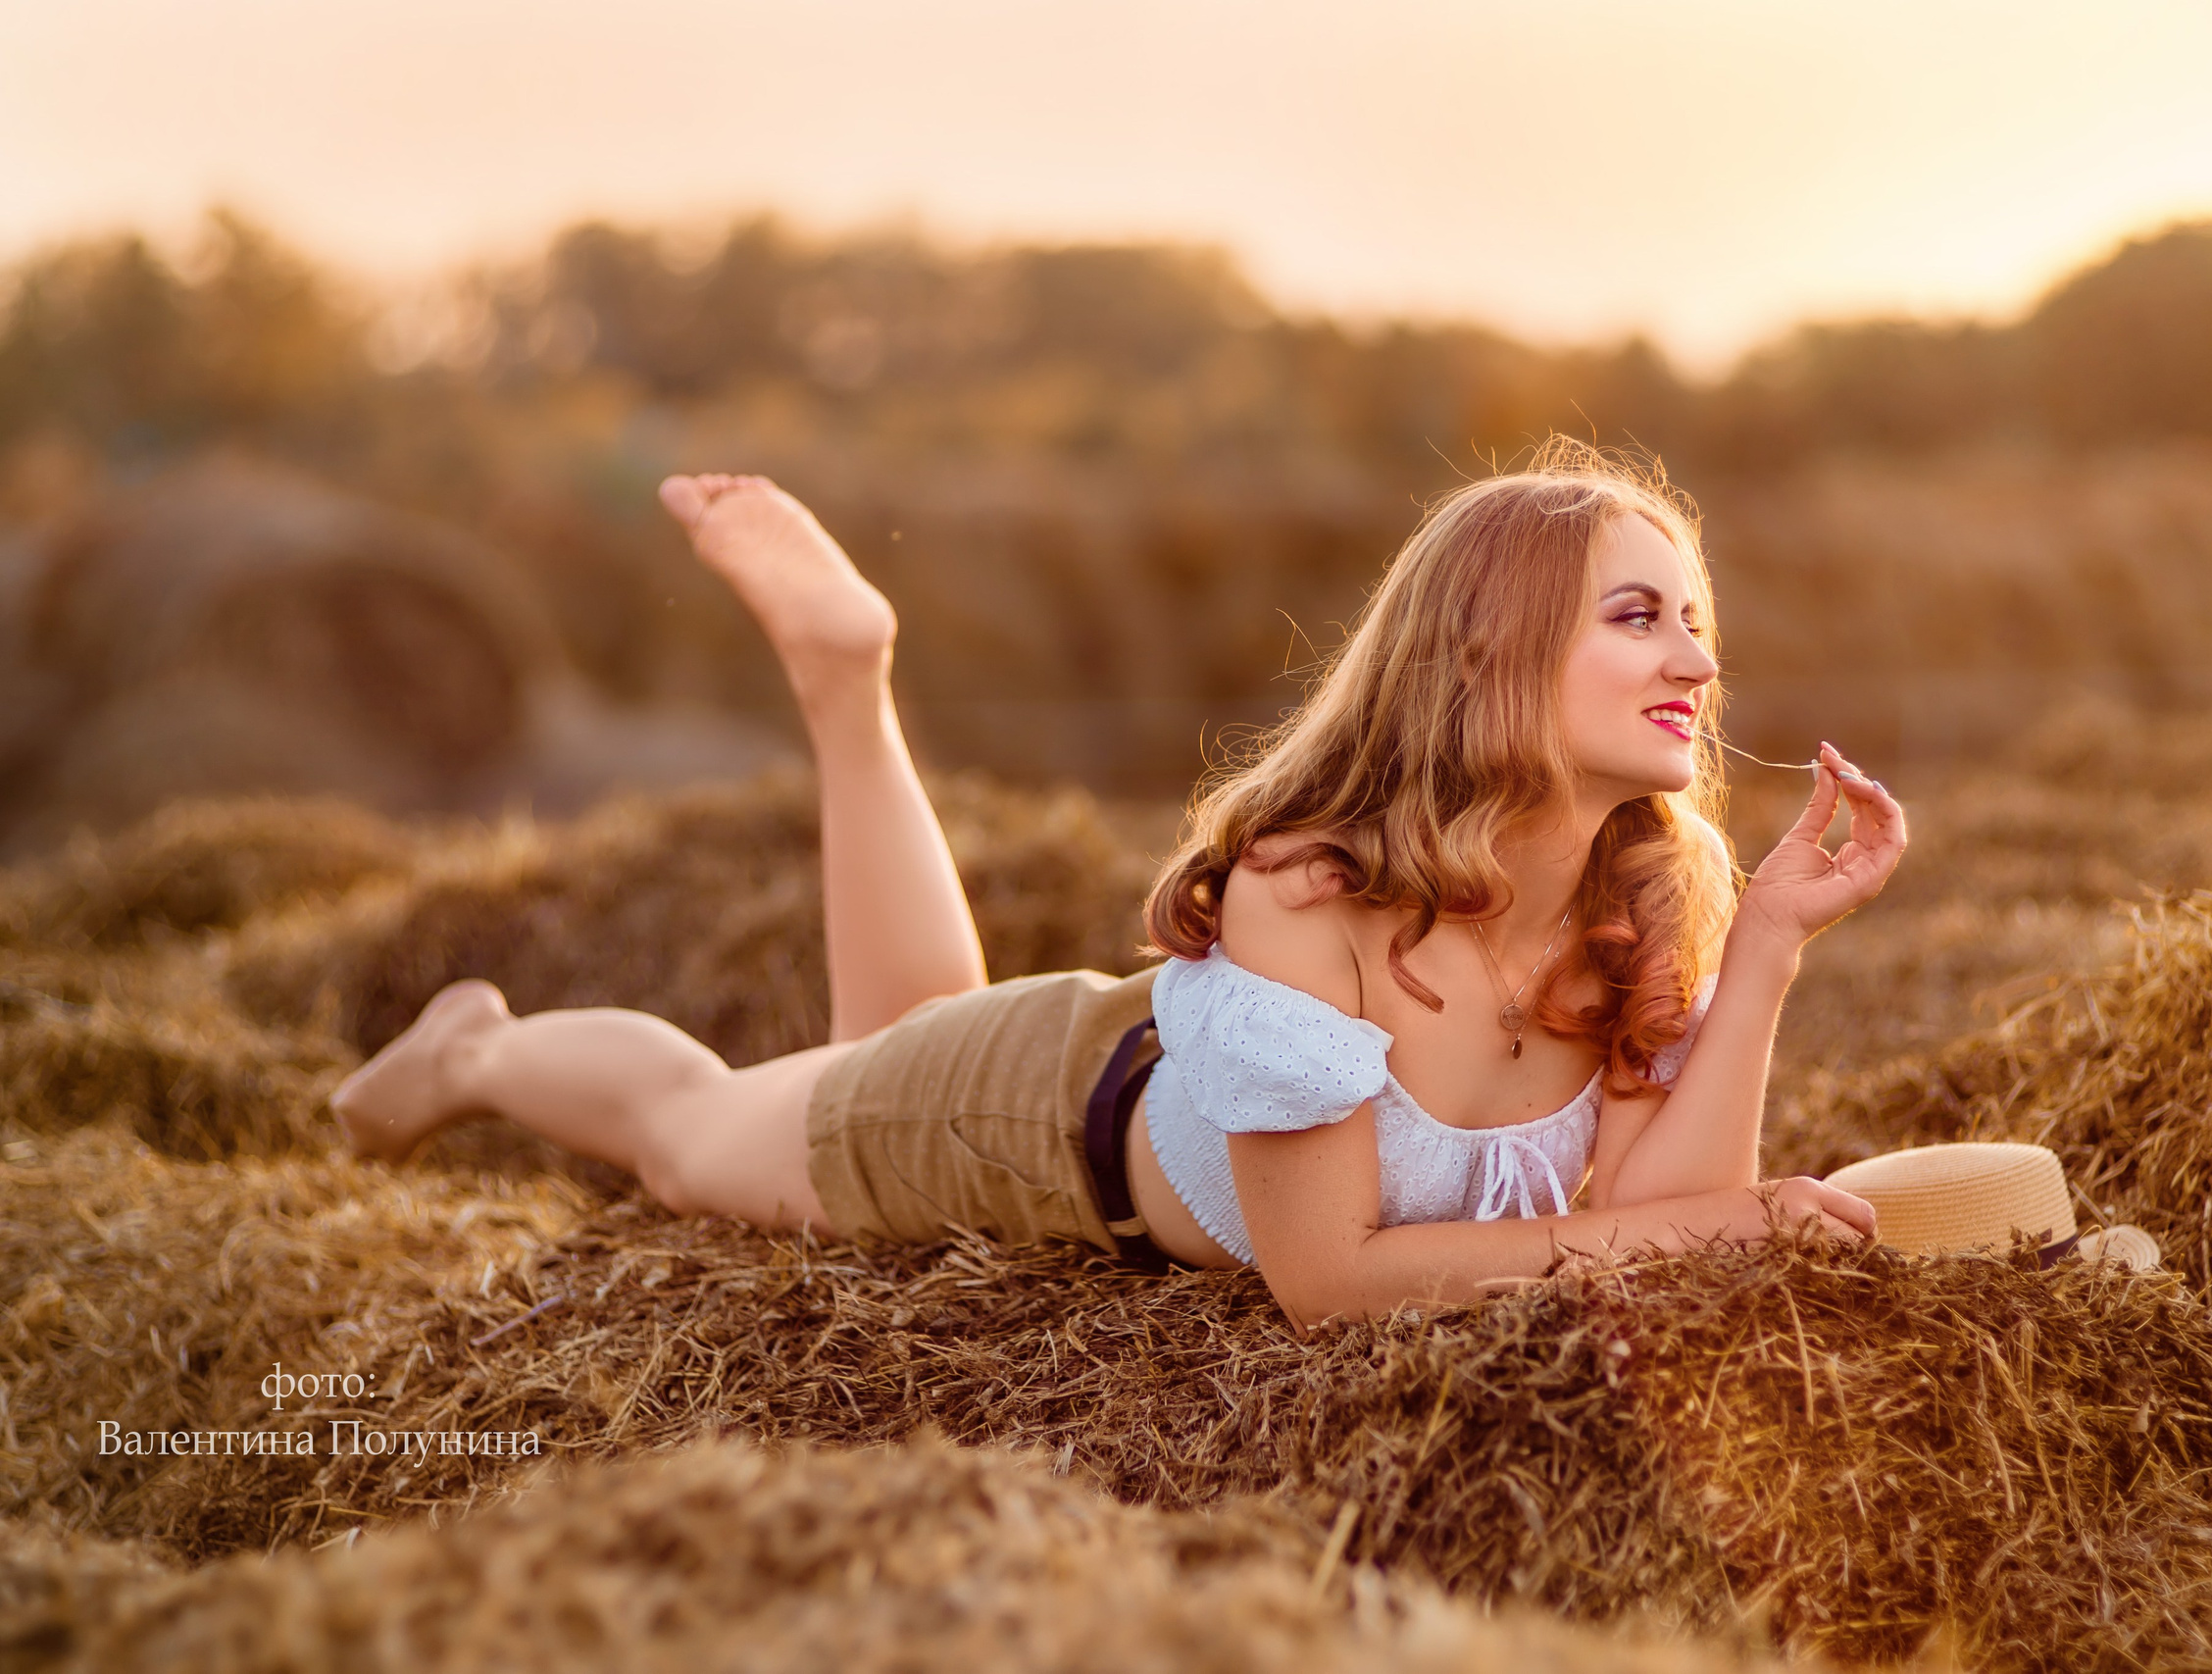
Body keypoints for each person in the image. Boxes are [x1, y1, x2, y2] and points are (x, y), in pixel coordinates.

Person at [330, 439, 1900, 1327]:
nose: (1698, 655)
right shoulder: (1313, 894)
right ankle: (476, 1048)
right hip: (1030, 1108)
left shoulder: (1654, 901)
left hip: (1086, 1067)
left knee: (896, 1026)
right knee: (695, 1131)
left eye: (1698, 619)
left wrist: (1767, 943)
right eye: (1640, 614)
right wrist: (1733, 1229)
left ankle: (845, 685)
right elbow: (1333, 1282)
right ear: (1492, 649)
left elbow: (1654, 1212)